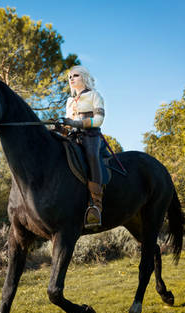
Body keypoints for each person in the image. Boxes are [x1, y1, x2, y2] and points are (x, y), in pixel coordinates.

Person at [62, 65, 105, 227]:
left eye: (75, 75)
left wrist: (76, 123)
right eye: (69, 77)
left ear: (84, 77)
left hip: (90, 135)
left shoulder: (95, 95)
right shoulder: (69, 101)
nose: (71, 79)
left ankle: (96, 204)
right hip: (72, 136)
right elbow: (68, 125)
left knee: (92, 156)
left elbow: (99, 120)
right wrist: (61, 127)